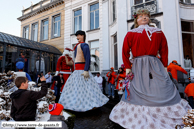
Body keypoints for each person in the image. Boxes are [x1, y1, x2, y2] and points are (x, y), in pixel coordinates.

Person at [109, 9, 191, 129]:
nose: (144, 18)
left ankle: (165, 112)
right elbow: (125, 51)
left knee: (162, 85)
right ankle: (138, 115)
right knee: (139, 86)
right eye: (141, 16)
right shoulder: (131, 33)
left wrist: (164, 65)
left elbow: (164, 49)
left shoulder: (158, 32)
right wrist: (127, 67)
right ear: (136, 19)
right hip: (138, 64)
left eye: (146, 16)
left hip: (155, 63)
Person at [59, 30, 109, 112]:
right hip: (77, 71)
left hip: (82, 70)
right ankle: (75, 104)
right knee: (76, 89)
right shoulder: (77, 46)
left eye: (78, 36)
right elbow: (75, 60)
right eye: (77, 36)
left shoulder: (84, 45)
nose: (77, 38)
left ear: (82, 36)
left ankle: (89, 105)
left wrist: (86, 70)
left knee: (87, 89)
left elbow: (87, 59)